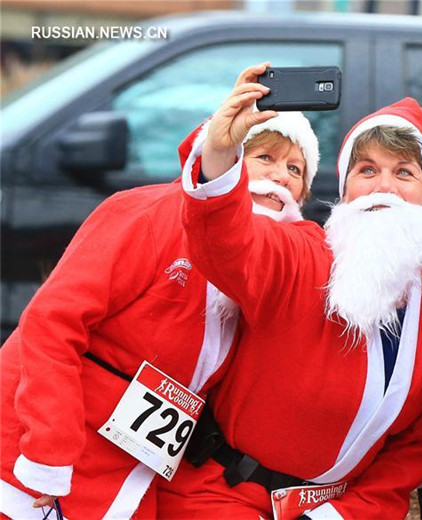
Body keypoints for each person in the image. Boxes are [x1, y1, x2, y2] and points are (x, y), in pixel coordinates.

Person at [0, 69, 320, 518]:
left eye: (296, 169)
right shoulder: (149, 213)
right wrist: (48, 454)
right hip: (36, 462)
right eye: (265, 157)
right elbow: (52, 323)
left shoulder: (270, 274)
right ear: (227, 153)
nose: (282, 177)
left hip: (130, 478)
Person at [159, 62, 422, 519]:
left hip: (337, 510)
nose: (384, 187)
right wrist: (221, 156)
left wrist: (351, 511)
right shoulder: (301, 251)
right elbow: (228, 246)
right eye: (366, 170)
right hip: (223, 497)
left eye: (404, 173)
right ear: (344, 189)